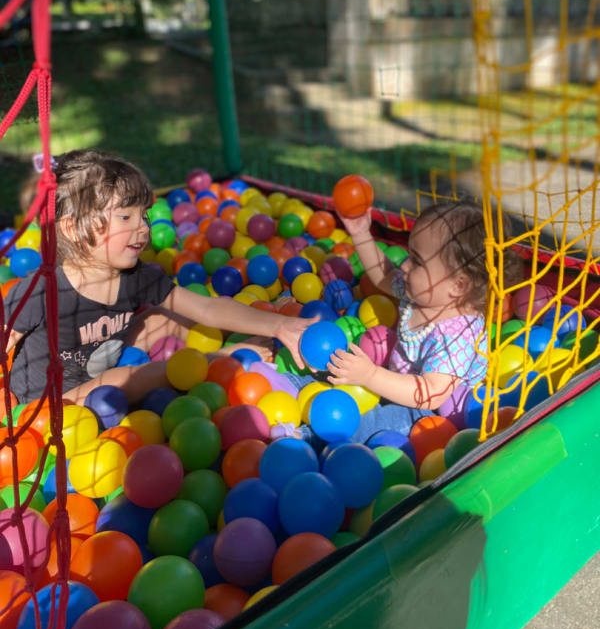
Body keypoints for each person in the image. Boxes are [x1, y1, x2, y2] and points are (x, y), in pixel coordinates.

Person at [4, 149, 315, 406]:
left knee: (167, 318)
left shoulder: (136, 277)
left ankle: (221, 350)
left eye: (144, 215)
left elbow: (207, 308)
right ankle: (215, 359)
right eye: (126, 217)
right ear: (74, 229)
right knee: (121, 380)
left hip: (99, 364)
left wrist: (279, 324)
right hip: (51, 406)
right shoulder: (41, 289)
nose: (142, 228)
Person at [307, 200, 521, 444]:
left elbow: (431, 395)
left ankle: (309, 437)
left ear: (457, 285)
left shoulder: (458, 335)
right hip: (394, 379)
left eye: (417, 261)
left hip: (432, 413)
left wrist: (370, 376)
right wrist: (360, 233)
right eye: (409, 255)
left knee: (380, 421)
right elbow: (384, 275)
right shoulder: (424, 293)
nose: (404, 265)